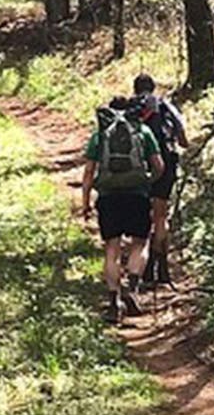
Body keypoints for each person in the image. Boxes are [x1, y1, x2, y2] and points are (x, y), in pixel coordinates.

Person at [79, 95, 166, 322]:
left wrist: (86, 202)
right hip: (137, 195)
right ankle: (133, 287)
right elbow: (159, 166)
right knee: (140, 243)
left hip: (108, 197)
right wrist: (148, 182)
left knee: (112, 249)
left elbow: (89, 172)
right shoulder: (143, 132)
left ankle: (113, 302)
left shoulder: (100, 135)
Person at [130, 74, 189, 287]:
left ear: (135, 89)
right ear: (153, 88)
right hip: (166, 164)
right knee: (161, 216)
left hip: (139, 168)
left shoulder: (130, 109)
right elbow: (183, 141)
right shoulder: (165, 105)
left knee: (143, 216)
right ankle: (162, 267)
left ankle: (144, 269)